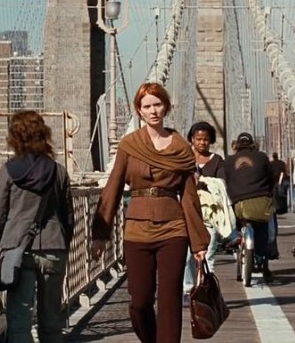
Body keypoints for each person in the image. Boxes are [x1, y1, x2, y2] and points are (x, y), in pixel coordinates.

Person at [90, 82, 210, 343]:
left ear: (165, 107)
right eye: (147, 106)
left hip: (173, 229)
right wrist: (100, 234)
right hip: (137, 229)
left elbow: (189, 197)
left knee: (170, 299)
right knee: (140, 300)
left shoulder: (181, 148)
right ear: (139, 111)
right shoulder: (129, 145)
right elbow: (112, 188)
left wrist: (199, 243)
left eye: (157, 104)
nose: (153, 111)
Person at [0, 110, 73, 343]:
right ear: (44, 135)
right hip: (54, 248)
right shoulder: (58, 171)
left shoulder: (9, 171)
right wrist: (63, 246)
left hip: (17, 250)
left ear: (14, 138)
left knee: (19, 320)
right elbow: (68, 216)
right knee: (52, 319)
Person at [181, 121, 226, 303]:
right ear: (192, 139)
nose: (202, 143)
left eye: (205, 139)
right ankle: (188, 289)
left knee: (208, 255)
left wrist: (203, 181)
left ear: (211, 140)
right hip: (187, 213)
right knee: (186, 256)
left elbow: (222, 184)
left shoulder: (217, 161)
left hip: (209, 214)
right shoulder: (184, 159)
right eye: (198, 139)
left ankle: (206, 290)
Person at [223, 132, 276, 278]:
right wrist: (269, 190)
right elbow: (272, 177)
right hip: (261, 201)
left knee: (235, 222)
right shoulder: (262, 157)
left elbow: (224, 181)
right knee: (264, 227)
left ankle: (234, 238)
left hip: (238, 203)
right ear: (253, 144)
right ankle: (264, 255)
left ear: (236, 145)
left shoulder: (228, 161)